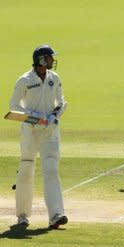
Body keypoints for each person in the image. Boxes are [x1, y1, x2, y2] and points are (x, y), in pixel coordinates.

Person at [9, 45, 68, 229]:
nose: (52, 61)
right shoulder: (25, 80)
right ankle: (22, 215)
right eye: (49, 58)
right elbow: (14, 106)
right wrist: (34, 118)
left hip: (50, 132)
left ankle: (56, 215)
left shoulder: (54, 78)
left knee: (51, 169)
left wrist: (54, 116)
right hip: (30, 131)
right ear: (41, 60)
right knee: (27, 169)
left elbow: (61, 102)